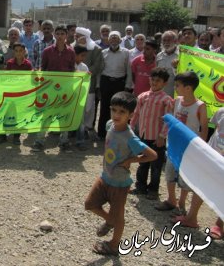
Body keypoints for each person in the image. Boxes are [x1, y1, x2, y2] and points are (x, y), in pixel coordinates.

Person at [84, 91, 157, 256]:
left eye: (122, 112)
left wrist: (131, 160)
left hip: (120, 183)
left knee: (119, 216)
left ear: (131, 115)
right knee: (90, 204)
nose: (116, 115)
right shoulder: (110, 124)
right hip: (105, 177)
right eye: (114, 109)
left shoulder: (130, 137)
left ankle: (114, 244)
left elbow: (152, 155)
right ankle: (109, 220)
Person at [155, 72, 208, 220]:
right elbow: (171, 119)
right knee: (170, 172)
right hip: (173, 145)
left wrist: (200, 148)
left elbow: (204, 128)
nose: (176, 87)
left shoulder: (200, 106)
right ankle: (171, 199)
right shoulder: (177, 100)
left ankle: (182, 204)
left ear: (188, 88)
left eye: (178, 85)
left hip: (189, 149)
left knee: (185, 178)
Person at [130, 67, 174, 200]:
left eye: (158, 81)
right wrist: (130, 128)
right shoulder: (143, 96)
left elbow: (168, 120)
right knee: (143, 162)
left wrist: (162, 136)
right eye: (153, 79)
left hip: (156, 138)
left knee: (156, 165)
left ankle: (153, 190)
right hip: (143, 135)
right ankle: (140, 187)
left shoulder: (166, 100)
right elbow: (136, 113)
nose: (154, 83)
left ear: (164, 83)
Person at [31, 25, 75, 152]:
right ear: (55, 35)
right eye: (58, 33)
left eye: (63, 34)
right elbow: (43, 69)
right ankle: (39, 141)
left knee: (64, 115)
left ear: (66, 36)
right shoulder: (47, 51)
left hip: (65, 89)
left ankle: (64, 142)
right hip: (50, 89)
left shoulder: (71, 52)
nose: (60, 36)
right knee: (46, 115)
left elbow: (72, 70)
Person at [97, 31, 132, 140]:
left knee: (119, 109)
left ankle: (118, 133)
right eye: (111, 38)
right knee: (104, 108)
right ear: (108, 40)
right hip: (106, 82)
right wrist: (98, 85)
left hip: (119, 83)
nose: (113, 39)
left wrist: (127, 85)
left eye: (116, 37)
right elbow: (100, 70)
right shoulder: (103, 52)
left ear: (120, 40)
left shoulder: (126, 53)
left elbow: (129, 70)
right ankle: (102, 134)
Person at [73, 27, 104, 138]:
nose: (75, 38)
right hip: (74, 84)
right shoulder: (72, 48)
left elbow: (98, 66)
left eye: (77, 36)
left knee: (88, 108)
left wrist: (84, 75)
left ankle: (86, 128)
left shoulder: (96, 49)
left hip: (89, 83)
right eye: (75, 36)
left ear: (84, 37)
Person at [5, 42, 33, 145]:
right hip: (11, 93)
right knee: (8, 113)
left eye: (20, 51)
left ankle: (17, 136)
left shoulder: (28, 64)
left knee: (20, 115)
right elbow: (6, 79)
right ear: (13, 52)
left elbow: (29, 79)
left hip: (22, 94)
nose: (18, 53)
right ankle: (3, 134)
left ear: (24, 52)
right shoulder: (9, 63)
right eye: (16, 51)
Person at [206, 108, 224, 240]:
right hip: (215, 156)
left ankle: (219, 222)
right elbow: (215, 130)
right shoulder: (220, 111)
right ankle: (191, 216)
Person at [74, 44, 90, 151]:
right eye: (82, 55)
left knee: (81, 120)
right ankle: (64, 140)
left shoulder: (84, 67)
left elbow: (86, 84)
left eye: (85, 56)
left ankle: (80, 141)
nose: (83, 58)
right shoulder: (69, 65)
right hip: (68, 97)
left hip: (80, 97)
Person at [156, 31, 178, 96]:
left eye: (169, 40)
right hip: (160, 93)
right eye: (164, 40)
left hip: (174, 94)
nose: (166, 43)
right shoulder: (159, 56)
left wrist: (175, 67)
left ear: (175, 41)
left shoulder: (180, 56)